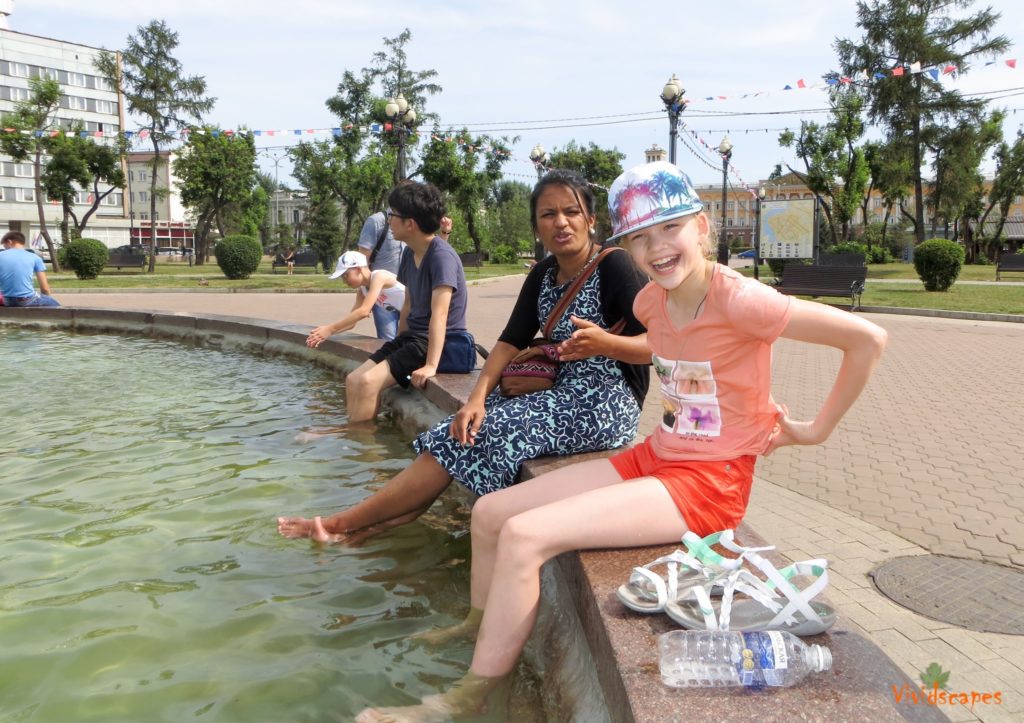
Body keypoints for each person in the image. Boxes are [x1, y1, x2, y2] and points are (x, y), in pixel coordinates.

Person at [354, 161, 888, 721]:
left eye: (670, 228)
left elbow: (867, 340)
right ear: (627, 245)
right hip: (657, 454)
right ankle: (478, 624)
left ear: (702, 227)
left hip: (709, 484)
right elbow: (676, 355)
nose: (657, 248)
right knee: (490, 513)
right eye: (640, 237)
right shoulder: (651, 301)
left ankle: (469, 696)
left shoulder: (741, 298)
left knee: (525, 535)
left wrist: (812, 431)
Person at [278, 169, 650, 545]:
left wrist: (607, 344)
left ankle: (343, 523)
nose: (561, 222)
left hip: (606, 403)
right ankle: (368, 527)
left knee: (481, 433)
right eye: (547, 214)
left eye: (571, 211)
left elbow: (663, 345)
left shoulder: (615, 267)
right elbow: (508, 341)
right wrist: (475, 400)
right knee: (456, 428)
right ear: (536, 225)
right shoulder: (542, 274)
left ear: (590, 218)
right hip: (557, 392)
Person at [342, 181, 468, 423]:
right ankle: (355, 434)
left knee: (369, 382)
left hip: (434, 342)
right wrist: (399, 342)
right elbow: (408, 304)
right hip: (412, 339)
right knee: (354, 379)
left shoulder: (442, 257)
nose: (389, 221)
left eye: (393, 215)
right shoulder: (410, 252)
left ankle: (365, 450)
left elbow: (440, 315)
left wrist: (431, 365)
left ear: (410, 224)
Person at [308, 250, 406, 343]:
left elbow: (364, 311)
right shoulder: (363, 290)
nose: (344, 281)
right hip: (410, 316)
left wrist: (330, 329)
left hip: (419, 313)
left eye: (346, 276)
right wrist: (324, 333)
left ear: (359, 269)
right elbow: (351, 323)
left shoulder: (379, 277)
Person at [358, 210, 408, 338]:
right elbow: (362, 261)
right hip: (381, 293)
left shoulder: (411, 220)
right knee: (388, 340)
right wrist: (364, 293)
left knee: (409, 340)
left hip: (407, 291)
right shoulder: (376, 221)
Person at [0, 231, 60, 308]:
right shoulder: (35, 257)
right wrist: (47, 298)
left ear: (9, 241)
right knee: (55, 305)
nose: (5, 249)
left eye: (4, 246)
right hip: (26, 300)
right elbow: (45, 289)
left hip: (7, 301)